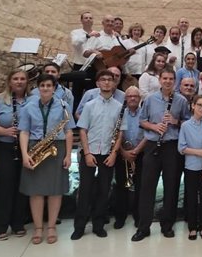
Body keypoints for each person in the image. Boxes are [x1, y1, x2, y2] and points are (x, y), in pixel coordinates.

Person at [132, 68, 190, 241]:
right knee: (147, 188)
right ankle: (144, 227)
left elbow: (188, 121)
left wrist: (175, 121)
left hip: (172, 147)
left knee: (171, 188)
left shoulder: (181, 100)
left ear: (175, 81)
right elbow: (142, 121)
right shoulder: (150, 99)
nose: (167, 81)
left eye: (171, 79)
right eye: (164, 78)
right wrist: (155, 127)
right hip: (152, 146)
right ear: (159, 79)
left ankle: (167, 225)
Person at [19, 74, 74, 245]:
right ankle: (37, 228)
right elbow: (24, 132)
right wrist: (24, 154)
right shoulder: (28, 107)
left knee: (55, 190)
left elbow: (69, 132)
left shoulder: (63, 106)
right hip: (35, 148)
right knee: (35, 191)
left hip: (56, 148)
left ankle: (51, 226)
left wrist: (68, 155)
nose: (45, 88)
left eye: (48, 85)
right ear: (37, 88)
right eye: (42, 85)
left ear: (54, 88)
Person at [72, 70, 124, 240]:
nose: (107, 83)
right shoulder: (89, 105)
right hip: (90, 152)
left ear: (114, 83)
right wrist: (86, 153)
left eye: (110, 80)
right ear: (98, 84)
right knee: (85, 190)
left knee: (104, 190)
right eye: (103, 80)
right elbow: (83, 130)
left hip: (108, 154)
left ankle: (98, 225)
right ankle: (79, 226)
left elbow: (120, 133)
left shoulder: (119, 107)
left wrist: (114, 153)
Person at [0, 69, 30, 240]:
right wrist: (4, 131)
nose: (19, 82)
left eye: (22, 79)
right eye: (15, 79)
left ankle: (18, 223)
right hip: (5, 146)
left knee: (22, 185)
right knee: (5, 185)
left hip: (25, 147)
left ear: (27, 82)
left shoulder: (32, 100)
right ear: (9, 81)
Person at [178, 94, 202, 241]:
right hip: (191, 168)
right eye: (199, 105)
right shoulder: (185, 126)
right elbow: (181, 148)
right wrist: (199, 152)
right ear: (193, 106)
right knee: (192, 198)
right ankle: (192, 228)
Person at [115, 86, 147, 229]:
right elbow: (115, 134)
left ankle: (138, 216)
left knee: (141, 187)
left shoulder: (145, 114)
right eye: (130, 96)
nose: (133, 98)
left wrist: (136, 151)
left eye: (135, 96)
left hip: (140, 154)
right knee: (121, 187)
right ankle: (120, 217)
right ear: (125, 98)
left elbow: (148, 134)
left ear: (140, 99)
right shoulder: (119, 114)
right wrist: (123, 151)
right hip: (122, 154)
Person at [69, 11, 100, 109]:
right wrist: (88, 36)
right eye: (86, 18)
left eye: (90, 18)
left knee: (91, 93)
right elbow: (75, 43)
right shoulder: (75, 32)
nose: (88, 20)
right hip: (79, 66)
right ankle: (74, 117)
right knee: (76, 93)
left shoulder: (97, 34)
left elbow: (100, 47)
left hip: (92, 67)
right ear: (81, 20)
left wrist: (97, 52)